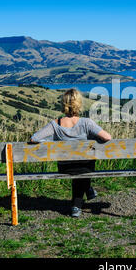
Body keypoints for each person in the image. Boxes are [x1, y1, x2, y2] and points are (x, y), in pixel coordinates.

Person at [30, 88, 111, 217]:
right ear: (79, 104)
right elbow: (107, 137)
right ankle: (80, 200)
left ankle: (80, 201)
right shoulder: (86, 123)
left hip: (65, 167)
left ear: (64, 104)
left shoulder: (55, 124)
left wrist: (50, 140)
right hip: (86, 168)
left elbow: (34, 138)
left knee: (78, 168)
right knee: (85, 164)